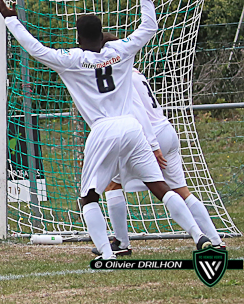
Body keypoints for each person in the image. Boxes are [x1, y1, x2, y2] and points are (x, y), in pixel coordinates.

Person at [0, 0, 211, 259]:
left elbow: (36, 49)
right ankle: (199, 236)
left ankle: (108, 255)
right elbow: (149, 26)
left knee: (88, 197)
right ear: (102, 34)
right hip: (132, 128)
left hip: (103, 130)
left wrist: (11, 20)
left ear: (78, 38)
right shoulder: (120, 50)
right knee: (161, 188)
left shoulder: (72, 59)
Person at [91, 39, 225, 256]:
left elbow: (138, 112)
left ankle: (122, 243)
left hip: (148, 135)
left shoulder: (119, 76)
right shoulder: (135, 72)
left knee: (113, 184)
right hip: (167, 130)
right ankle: (215, 240)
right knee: (181, 190)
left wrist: (152, 144)